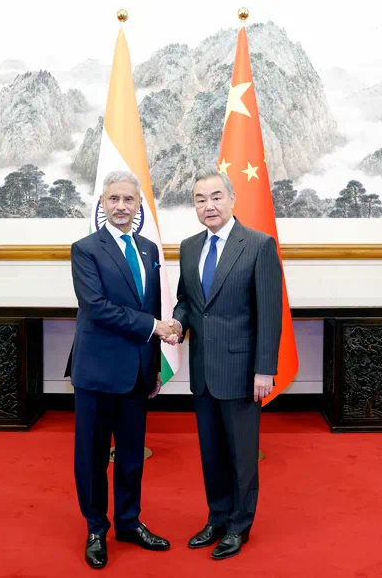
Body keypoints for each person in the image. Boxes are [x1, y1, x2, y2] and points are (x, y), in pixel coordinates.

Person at [169, 166, 283, 560]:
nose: (209, 205)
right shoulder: (188, 247)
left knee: (242, 455)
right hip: (203, 371)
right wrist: (178, 324)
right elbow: (186, 301)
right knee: (211, 452)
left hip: (242, 371)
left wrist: (265, 369)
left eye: (216, 197)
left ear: (232, 199)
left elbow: (270, 312)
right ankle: (217, 517)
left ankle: (239, 525)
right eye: (200, 199)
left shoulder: (258, 245)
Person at [68, 170, 175, 569]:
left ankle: (129, 523)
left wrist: (154, 366)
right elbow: (97, 308)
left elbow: (151, 306)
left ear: (139, 205)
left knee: (131, 456)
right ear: (102, 203)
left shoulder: (148, 249)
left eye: (129, 199)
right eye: (113, 199)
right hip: (97, 372)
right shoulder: (85, 249)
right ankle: (96, 528)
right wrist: (154, 327)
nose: (121, 206)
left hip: (136, 374)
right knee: (92, 457)